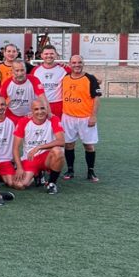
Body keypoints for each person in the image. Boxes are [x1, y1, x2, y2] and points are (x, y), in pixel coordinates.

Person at [60, 54, 101, 182]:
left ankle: (91, 171)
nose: (77, 65)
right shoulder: (65, 78)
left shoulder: (90, 78)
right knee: (69, 144)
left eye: (79, 62)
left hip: (85, 118)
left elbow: (97, 98)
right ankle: (70, 170)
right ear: (70, 64)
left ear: (83, 63)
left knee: (88, 146)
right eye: (74, 62)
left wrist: (93, 116)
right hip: (68, 117)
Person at [14, 101, 65, 193]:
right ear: (31, 111)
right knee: (20, 185)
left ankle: (51, 183)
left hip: (46, 157)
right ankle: (37, 175)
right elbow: (15, 148)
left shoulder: (54, 119)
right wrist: (19, 167)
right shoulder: (23, 121)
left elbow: (61, 141)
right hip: (30, 158)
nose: (40, 112)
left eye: (42, 108)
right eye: (36, 109)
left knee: (58, 151)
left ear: (47, 109)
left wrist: (39, 147)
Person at [30, 45, 69, 117]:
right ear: (41, 55)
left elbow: (77, 75)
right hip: (40, 105)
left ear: (56, 55)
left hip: (58, 104)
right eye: (46, 54)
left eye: (51, 54)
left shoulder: (64, 69)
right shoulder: (35, 70)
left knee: (57, 127)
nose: (49, 56)